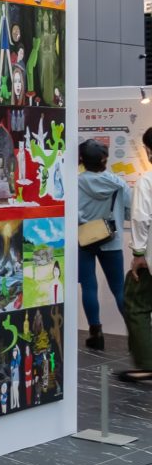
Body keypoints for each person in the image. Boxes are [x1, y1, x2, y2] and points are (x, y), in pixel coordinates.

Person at [79, 139, 130, 351]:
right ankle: (137, 334)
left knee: (89, 286)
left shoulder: (75, 182)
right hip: (112, 240)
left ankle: (96, 334)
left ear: (82, 160)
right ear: (104, 159)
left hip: (83, 240)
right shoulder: (118, 183)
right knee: (119, 289)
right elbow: (129, 211)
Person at [123, 127, 152, 381]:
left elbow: (141, 218)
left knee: (136, 303)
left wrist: (139, 253)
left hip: (150, 257)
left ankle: (147, 364)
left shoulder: (146, 181)